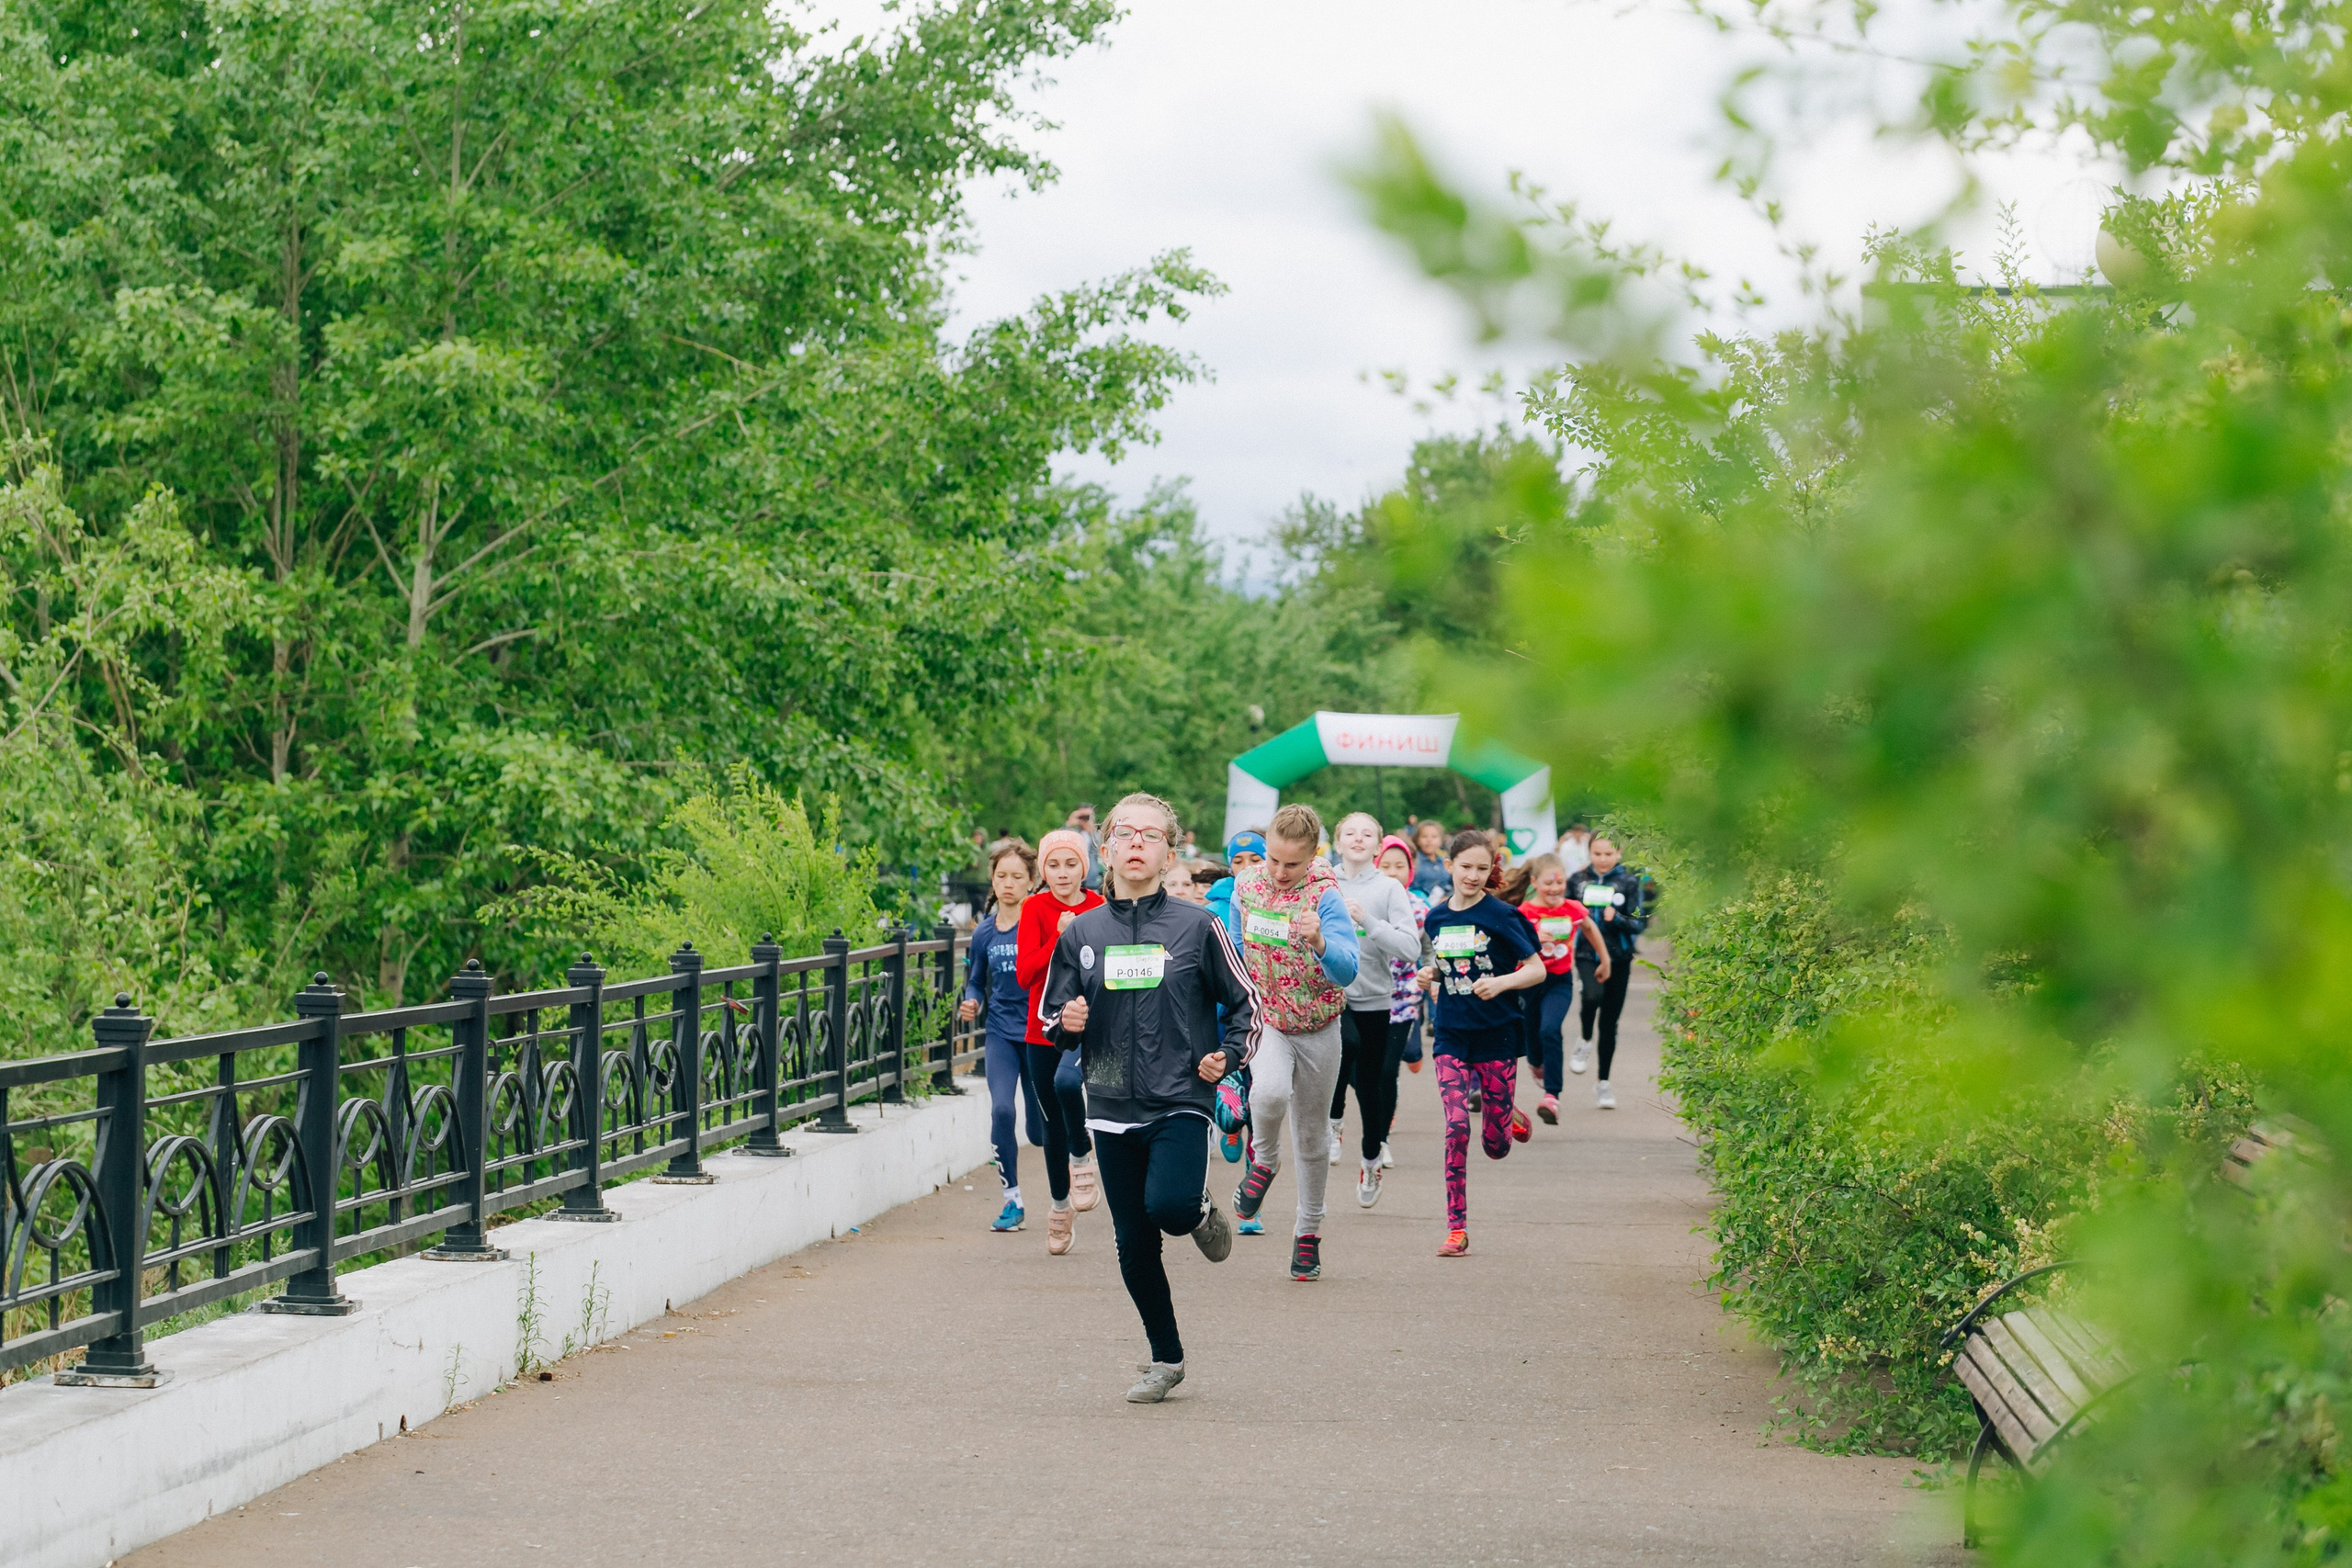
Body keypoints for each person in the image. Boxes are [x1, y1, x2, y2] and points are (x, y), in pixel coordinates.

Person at [1040, 793, 1255, 1403]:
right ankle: (1166, 1358)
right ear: (1106, 849)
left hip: (1180, 1094)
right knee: (1133, 1241)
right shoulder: (1083, 931)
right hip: (1109, 1104)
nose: (1137, 843)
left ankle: (1197, 1211)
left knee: (1167, 1206)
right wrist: (1069, 1021)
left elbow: (1246, 1004)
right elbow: (1050, 1013)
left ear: (1170, 851)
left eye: (1151, 834)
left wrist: (1229, 1055)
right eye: (1125, 833)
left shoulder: (1197, 924)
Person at [1223, 804, 1360, 1281]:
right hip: (1271, 1022)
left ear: (1312, 856)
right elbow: (1236, 946)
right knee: (1268, 1092)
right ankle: (1263, 1159)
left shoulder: (1325, 895)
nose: (1280, 872)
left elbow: (1348, 969)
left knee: (1311, 1136)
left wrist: (1321, 941)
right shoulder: (1247, 885)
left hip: (1320, 1026)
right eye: (1273, 860)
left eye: (1292, 864)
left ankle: (1308, 1234)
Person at [1419, 829, 1546, 1257]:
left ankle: (1507, 1116)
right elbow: (1447, 964)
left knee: (1495, 1147)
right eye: (1465, 867)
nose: (1472, 875)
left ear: (1492, 869)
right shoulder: (1436, 918)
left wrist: (1503, 982)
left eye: (1482, 868)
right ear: (1450, 865)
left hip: (1498, 1033)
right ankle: (1457, 1228)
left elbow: (1536, 969)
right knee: (1456, 1127)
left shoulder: (1502, 916)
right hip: (1452, 1033)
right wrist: (1431, 976)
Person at [1011, 829, 1106, 1246]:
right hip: (1040, 1027)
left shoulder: (1100, 906)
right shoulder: (1034, 907)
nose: (1062, 873)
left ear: (1084, 867)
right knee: (1050, 1121)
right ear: (1043, 870)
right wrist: (1059, 935)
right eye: (1053, 865)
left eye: (1071, 864)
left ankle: (1082, 1152)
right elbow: (1025, 974)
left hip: (1088, 1023)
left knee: (1068, 1083)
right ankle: (1060, 1205)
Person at [1325, 812, 1420, 1209]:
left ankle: (1370, 1159)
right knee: (1343, 1047)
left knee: (1373, 1086)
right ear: (1337, 841)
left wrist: (1368, 920)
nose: (1358, 839)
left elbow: (1410, 949)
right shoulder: (1322, 880)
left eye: (1368, 834)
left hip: (1377, 999)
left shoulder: (1389, 888)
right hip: (1331, 995)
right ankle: (1332, 1124)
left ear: (1379, 846)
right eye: (1350, 832)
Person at [962, 839, 1046, 1235]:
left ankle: (1070, 1171)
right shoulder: (984, 933)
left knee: (1039, 1131)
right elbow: (976, 981)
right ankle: (1012, 1200)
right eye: (1001, 876)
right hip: (999, 1032)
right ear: (993, 881)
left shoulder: (1043, 923)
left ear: (1032, 881)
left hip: (1038, 1033)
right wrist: (971, 1001)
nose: (1008, 883)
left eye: (1017, 876)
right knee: (1001, 1112)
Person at [1514, 852, 1612, 1123]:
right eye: (1548, 883)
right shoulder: (1524, 913)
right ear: (1534, 882)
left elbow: (1591, 929)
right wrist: (1534, 938)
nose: (1555, 889)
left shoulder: (1572, 909)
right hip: (1529, 981)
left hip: (1558, 981)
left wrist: (1604, 960)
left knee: (1550, 1029)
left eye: (1560, 883)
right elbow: (1512, 947)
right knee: (1531, 1033)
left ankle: (1552, 1097)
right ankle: (1536, 1062)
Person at [1567, 835, 1658, 1110]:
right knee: (1591, 997)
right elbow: (1563, 912)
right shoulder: (1577, 880)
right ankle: (1583, 1039)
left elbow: (1639, 924)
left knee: (1609, 1023)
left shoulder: (1629, 881)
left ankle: (1603, 1083)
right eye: (1597, 853)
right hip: (1586, 954)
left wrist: (1616, 918)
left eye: (1608, 853)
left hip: (1619, 957)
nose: (1603, 859)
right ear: (1589, 852)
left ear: (1619, 852)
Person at [1379, 834, 1432, 1087]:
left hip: (1404, 997)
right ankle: (1379, 1106)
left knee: (1389, 1067)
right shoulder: (1360, 904)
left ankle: (1384, 1112)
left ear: (1410, 870)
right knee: (1368, 1063)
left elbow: (1430, 950)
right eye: (1385, 866)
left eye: (1400, 866)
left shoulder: (1420, 908)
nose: (1393, 873)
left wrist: (1434, 979)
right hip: (1367, 996)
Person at [1065, 804, 1105, 891]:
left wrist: (1091, 832)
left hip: (1092, 881)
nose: (1085, 819)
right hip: (1073, 881)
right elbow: (1058, 841)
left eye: (1088, 816)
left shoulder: (1096, 835)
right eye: (1082, 816)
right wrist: (1069, 824)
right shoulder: (1071, 833)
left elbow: (1100, 849)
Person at [1410, 818, 1452, 897]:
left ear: (1440, 840)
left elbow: (1451, 885)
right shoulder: (1414, 861)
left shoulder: (1444, 861)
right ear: (1417, 840)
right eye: (1424, 836)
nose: (1429, 840)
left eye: (1434, 837)